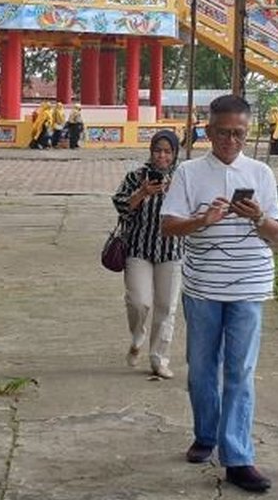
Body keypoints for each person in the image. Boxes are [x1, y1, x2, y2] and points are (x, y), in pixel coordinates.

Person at [161, 94, 278, 494]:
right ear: (207, 131)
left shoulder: (261, 173)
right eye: (223, 132)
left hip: (250, 285)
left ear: (248, 133)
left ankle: (238, 457)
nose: (230, 140)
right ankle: (205, 434)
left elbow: (277, 233)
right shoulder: (189, 173)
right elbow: (169, 226)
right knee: (201, 368)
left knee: (240, 372)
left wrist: (258, 217)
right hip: (203, 287)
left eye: (239, 133)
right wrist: (202, 219)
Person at [111, 130, 184, 379]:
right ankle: (137, 337)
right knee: (138, 301)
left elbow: (194, 210)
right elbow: (120, 206)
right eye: (157, 150)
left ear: (175, 154)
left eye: (167, 151)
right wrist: (142, 193)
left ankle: (159, 358)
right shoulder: (136, 177)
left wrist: (175, 192)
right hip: (139, 249)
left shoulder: (183, 178)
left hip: (171, 250)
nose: (161, 156)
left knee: (166, 308)